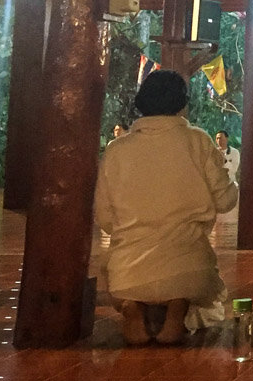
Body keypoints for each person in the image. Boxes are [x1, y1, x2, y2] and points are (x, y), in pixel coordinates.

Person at [94, 70, 237, 346]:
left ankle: (131, 306)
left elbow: (104, 217)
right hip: (189, 269)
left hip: (127, 274)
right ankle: (178, 306)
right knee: (208, 303)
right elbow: (225, 201)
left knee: (119, 276)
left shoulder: (116, 150)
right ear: (182, 104)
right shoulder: (198, 140)